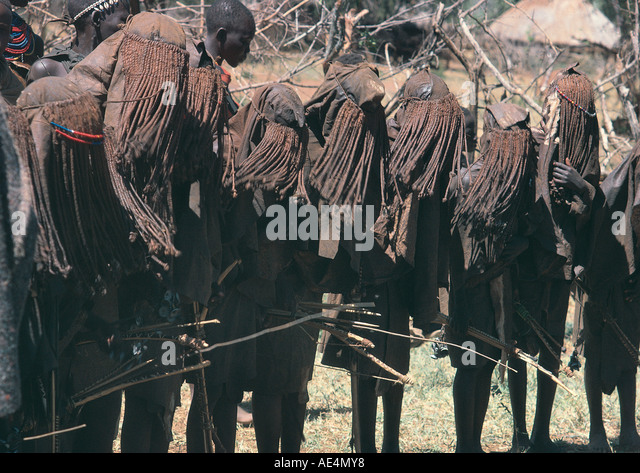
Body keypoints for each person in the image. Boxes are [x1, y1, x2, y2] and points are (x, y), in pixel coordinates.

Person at [508, 64, 601, 453]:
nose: (560, 113)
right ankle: (518, 433)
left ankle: (541, 432)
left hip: (561, 266)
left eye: (568, 108)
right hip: (527, 257)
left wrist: (582, 187)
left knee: (548, 345)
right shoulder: (535, 142)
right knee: (516, 342)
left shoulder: (586, 153)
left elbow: (598, 206)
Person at [183, 0, 257, 454]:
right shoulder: (192, 72)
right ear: (221, 34)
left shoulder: (216, 77)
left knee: (217, 369)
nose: (247, 48)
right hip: (191, 226)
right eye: (244, 40)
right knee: (202, 365)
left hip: (213, 228)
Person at [447, 103, 536, 453]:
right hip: (468, 292)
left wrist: (518, 245)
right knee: (470, 365)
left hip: (496, 289)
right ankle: (464, 445)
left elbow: (524, 230)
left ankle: (474, 444)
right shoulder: (467, 181)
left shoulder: (513, 180)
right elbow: (457, 245)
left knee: (484, 365)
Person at [578, 142, 640, 452]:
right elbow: (598, 227)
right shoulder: (615, 186)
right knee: (595, 352)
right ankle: (596, 429)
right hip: (603, 282)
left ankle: (628, 428)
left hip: (633, 285)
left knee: (629, 357)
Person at [28, 0, 130, 82]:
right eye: (123, 20)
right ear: (97, 19)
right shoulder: (47, 70)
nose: (128, 27)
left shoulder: (127, 65)